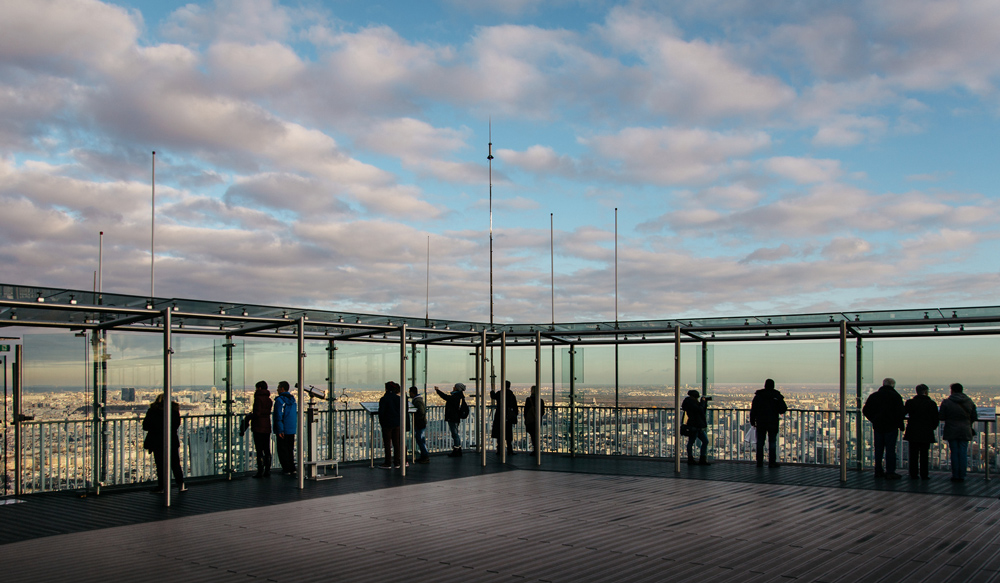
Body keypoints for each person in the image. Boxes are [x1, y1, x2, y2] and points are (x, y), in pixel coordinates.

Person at [142, 393, 186, 493]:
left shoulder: (153, 411)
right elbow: (176, 425)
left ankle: (162, 486)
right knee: (175, 464)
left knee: (160, 465)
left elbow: (145, 426)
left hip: (157, 441)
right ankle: (181, 484)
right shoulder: (174, 411)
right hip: (171, 440)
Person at [863, 377, 905, 479]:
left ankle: (878, 470)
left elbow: (866, 410)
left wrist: (874, 419)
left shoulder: (874, 396)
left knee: (878, 449)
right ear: (893, 385)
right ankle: (890, 471)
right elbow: (900, 412)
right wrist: (900, 425)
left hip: (878, 426)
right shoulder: (896, 396)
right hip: (891, 427)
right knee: (890, 450)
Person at [939, 382, 978, 482]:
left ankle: (955, 474)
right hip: (965, 429)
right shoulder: (969, 402)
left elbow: (942, 416)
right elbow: (974, 416)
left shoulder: (947, 402)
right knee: (963, 452)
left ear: (952, 390)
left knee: (954, 452)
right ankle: (962, 475)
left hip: (951, 429)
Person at [903, 383, 938, 480]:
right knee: (924, 454)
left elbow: (903, 413)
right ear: (926, 392)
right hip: (926, 432)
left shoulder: (910, 402)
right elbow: (935, 419)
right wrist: (931, 427)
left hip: (913, 431)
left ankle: (913, 473)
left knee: (913, 454)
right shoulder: (931, 404)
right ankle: (924, 474)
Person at [750, 379, 787, 468]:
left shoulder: (759, 395)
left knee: (760, 442)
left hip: (761, 422)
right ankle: (772, 462)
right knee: (772, 443)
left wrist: (752, 420)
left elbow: (753, 409)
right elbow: (783, 408)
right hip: (772, 422)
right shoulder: (776, 395)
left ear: (765, 385)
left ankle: (759, 462)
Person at [272, 380, 297, 477]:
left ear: (282, 388)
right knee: (290, 450)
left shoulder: (280, 400)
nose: (277, 389)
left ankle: (286, 469)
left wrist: (280, 429)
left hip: (283, 429)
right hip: (291, 428)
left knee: (282, 450)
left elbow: (279, 415)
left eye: (278, 387)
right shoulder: (292, 400)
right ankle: (292, 468)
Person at [435, 383, 467, 457]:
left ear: (457, 389)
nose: (453, 388)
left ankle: (456, 450)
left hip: (453, 417)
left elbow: (445, 397)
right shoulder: (459, 396)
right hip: (455, 417)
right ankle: (458, 449)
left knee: (454, 434)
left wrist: (438, 391)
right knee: (455, 434)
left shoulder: (456, 397)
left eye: (455, 387)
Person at [250, 380, 273, 478]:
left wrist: (250, 416)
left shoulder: (258, 399)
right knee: (267, 449)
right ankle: (267, 470)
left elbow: (257, 413)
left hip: (258, 427)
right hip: (267, 426)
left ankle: (260, 470)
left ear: (259, 388)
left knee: (259, 450)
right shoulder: (269, 400)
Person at [682, 389, 710, 466]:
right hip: (695, 425)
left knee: (694, 442)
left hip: (695, 425)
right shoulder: (691, 403)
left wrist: (703, 403)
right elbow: (700, 410)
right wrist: (703, 403)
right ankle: (700, 458)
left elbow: (701, 411)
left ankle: (692, 458)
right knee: (701, 441)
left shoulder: (689, 402)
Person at [378, 382, 403, 469]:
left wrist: (382, 423)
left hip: (387, 424)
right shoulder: (398, 399)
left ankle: (388, 462)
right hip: (397, 423)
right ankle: (397, 462)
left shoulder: (384, 399)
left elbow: (381, 412)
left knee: (387, 444)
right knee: (396, 443)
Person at [491, 380, 519, 456]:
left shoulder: (500, 393)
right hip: (508, 417)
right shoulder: (511, 395)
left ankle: (499, 449)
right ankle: (510, 449)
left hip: (499, 415)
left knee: (500, 433)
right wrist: (514, 415)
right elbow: (515, 407)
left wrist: (492, 390)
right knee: (508, 433)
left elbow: (493, 397)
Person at [523, 385, 546, 456]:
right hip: (537, 420)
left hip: (530, 421)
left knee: (533, 435)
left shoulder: (528, 400)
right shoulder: (540, 400)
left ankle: (535, 449)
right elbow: (542, 412)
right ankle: (537, 449)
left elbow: (526, 411)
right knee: (536, 435)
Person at [409, 386, 429, 464]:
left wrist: (416, 417)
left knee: (420, 440)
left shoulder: (417, 401)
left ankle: (425, 456)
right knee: (420, 439)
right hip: (421, 422)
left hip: (419, 423)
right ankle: (424, 456)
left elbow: (421, 412)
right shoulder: (418, 400)